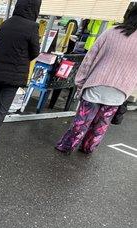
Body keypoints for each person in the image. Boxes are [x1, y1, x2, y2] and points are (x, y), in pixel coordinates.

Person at [55, 6, 137, 155]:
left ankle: (67, 145)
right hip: (120, 92)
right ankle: (88, 147)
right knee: (101, 125)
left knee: (82, 121)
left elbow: (89, 58)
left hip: (96, 84)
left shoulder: (111, 32)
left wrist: (80, 82)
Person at [0, 0, 41, 147]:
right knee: (3, 107)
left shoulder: (6, 23)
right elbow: (35, 52)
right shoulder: (32, 27)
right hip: (14, 74)